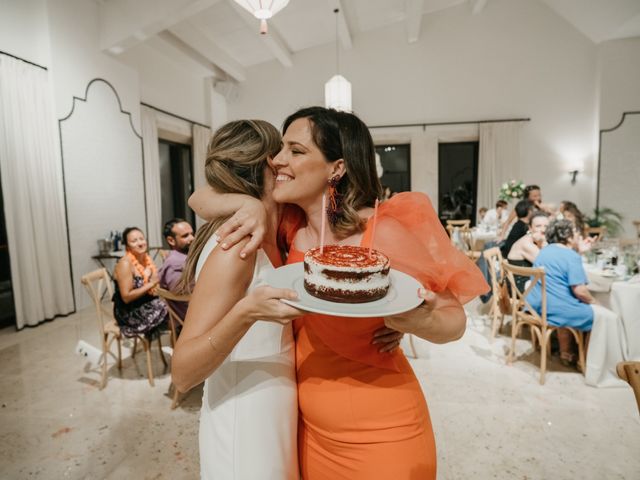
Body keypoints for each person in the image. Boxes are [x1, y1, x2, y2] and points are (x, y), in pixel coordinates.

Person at [190, 106, 488, 479]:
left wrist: (417, 319)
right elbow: (200, 197)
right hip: (306, 434)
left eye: (296, 152)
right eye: (281, 148)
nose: (277, 161)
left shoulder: (380, 232)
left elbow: (454, 321)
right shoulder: (287, 224)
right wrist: (245, 202)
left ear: (337, 168)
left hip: (380, 434)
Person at [170, 120, 310, 480]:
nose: (286, 160)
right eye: (283, 151)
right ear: (269, 162)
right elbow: (183, 372)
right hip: (243, 421)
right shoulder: (235, 247)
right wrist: (246, 312)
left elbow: (198, 197)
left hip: (273, 409)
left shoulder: (276, 229)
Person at [528, 219, 624, 386]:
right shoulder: (571, 256)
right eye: (576, 233)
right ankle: (590, 365)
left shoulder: (545, 250)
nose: (578, 235)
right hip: (557, 310)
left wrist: (578, 252)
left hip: (539, 305)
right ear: (568, 236)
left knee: (593, 309)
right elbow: (579, 291)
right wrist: (595, 302)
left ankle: (569, 354)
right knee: (606, 316)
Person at [112, 227, 167, 338]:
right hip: (130, 312)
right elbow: (126, 297)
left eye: (141, 239)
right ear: (127, 246)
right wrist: (151, 283)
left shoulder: (145, 258)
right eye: (134, 241)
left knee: (176, 306)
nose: (140, 243)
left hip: (146, 303)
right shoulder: (125, 264)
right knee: (172, 310)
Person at [158, 218, 194, 322]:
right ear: (171, 240)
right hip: (190, 317)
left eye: (192, 233)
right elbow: (181, 293)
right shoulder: (175, 263)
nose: (192, 238)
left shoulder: (181, 257)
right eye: (185, 236)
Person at [507, 211, 549, 292]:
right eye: (538, 226)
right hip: (519, 288)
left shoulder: (536, 241)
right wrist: (544, 242)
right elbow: (548, 265)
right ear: (530, 228)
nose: (543, 230)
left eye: (546, 226)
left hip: (532, 281)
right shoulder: (526, 243)